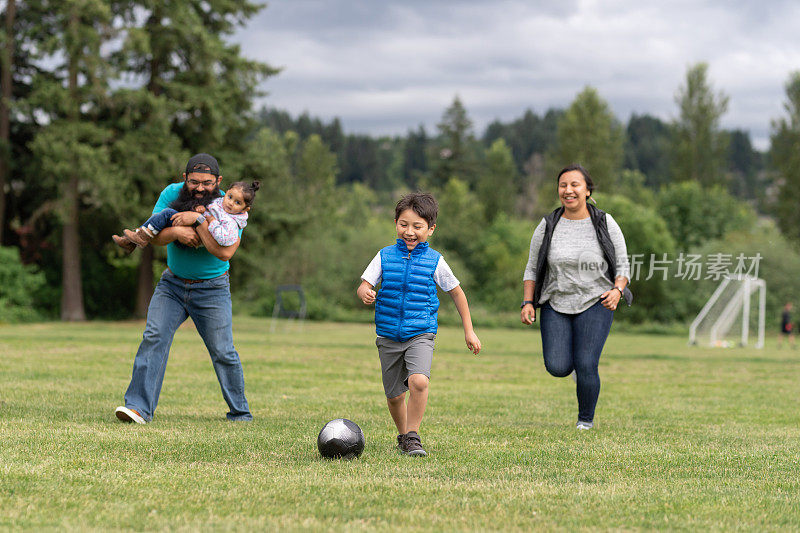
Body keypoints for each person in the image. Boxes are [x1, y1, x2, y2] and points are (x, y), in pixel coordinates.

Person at [114, 153, 253, 424]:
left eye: (207, 182)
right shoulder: (170, 193)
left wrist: (198, 223)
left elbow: (224, 253)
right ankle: (138, 409)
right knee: (154, 337)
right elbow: (153, 236)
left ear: (218, 181)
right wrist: (177, 232)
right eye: (194, 182)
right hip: (172, 284)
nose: (200, 188)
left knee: (223, 351)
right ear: (184, 179)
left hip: (212, 289)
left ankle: (240, 413)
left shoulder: (230, 204)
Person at [357, 192, 481, 456]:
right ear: (395, 224)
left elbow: (457, 293)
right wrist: (365, 292)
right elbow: (365, 284)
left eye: (417, 226)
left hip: (421, 332)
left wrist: (468, 330)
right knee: (394, 396)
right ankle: (403, 436)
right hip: (388, 335)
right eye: (404, 224)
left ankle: (413, 435)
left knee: (419, 381)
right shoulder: (384, 256)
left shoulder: (435, 261)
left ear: (430, 229)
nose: (409, 232)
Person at [520, 164, 632, 430]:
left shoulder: (604, 221)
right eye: (563, 185)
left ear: (587, 190)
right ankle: (578, 373)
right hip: (555, 302)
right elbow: (532, 267)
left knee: (586, 363)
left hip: (597, 301)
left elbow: (624, 264)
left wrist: (617, 290)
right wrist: (527, 302)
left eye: (575, 185)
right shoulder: (548, 224)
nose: (568, 190)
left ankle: (585, 420)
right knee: (557, 366)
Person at [113, 180, 260, 252]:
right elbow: (209, 209)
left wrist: (210, 220)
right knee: (166, 214)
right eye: (229, 197)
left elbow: (223, 239)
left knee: (167, 214)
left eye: (237, 202)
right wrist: (201, 209)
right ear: (226, 192)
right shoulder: (219, 201)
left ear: (245, 209)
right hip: (193, 226)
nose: (230, 203)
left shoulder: (232, 222)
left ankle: (139, 238)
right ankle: (133, 241)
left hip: (200, 236)